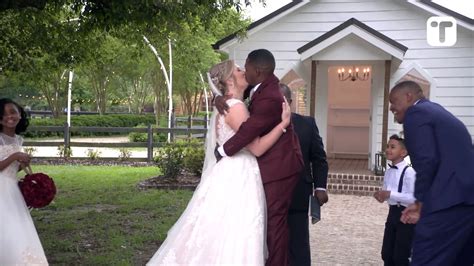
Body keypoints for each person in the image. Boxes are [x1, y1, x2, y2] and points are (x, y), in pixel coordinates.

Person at [147, 59, 292, 265]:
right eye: (239, 70)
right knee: (237, 232)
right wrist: (283, 125)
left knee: (220, 231)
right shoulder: (236, 107)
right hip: (238, 175)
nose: (244, 72)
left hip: (228, 172)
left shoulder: (228, 105)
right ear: (228, 80)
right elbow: (257, 147)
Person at [215, 49, 304, 266]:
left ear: (257, 70)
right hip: (259, 164)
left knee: (274, 224)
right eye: (238, 69)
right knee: (259, 221)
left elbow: (248, 132)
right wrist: (217, 97)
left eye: (245, 67)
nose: (243, 71)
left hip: (279, 168)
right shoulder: (258, 89)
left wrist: (222, 151)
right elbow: (233, 98)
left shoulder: (271, 96)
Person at [389, 80, 474, 265]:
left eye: (393, 101)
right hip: (467, 202)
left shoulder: (416, 114)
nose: (391, 107)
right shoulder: (437, 112)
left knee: (426, 259)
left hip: (448, 201)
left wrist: (420, 201)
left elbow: (426, 160)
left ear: (408, 97)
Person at [279, 83, 328, 266]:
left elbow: (319, 158)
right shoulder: (261, 123)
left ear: (290, 102)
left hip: (298, 193)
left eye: (282, 101)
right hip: (268, 194)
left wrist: (320, 187)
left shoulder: (307, 124)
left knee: (298, 243)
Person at [0, 98, 49, 265]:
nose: (10, 117)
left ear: (20, 114)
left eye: (13, 112)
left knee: (16, 229)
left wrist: (22, 164)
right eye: (4, 114)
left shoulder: (18, 140)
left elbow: (10, 169)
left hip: (12, 189)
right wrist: (14, 156)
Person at [373, 134, 416, 266]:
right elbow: (387, 194)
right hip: (392, 214)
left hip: (406, 215)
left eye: (392, 147)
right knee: (387, 253)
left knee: (401, 255)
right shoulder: (388, 171)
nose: (388, 150)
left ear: (403, 152)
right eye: (387, 146)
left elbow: (414, 198)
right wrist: (381, 196)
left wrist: (390, 194)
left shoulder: (409, 172)